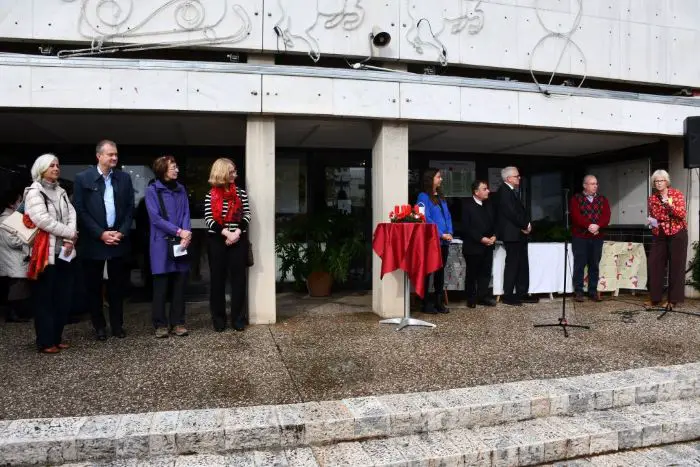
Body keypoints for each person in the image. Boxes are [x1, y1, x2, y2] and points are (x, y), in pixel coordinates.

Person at [73, 140, 135, 341]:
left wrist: (121, 232)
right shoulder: (83, 178)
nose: (114, 158)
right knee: (94, 287)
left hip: (118, 240)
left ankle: (117, 326)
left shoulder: (124, 179)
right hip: (94, 241)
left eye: (116, 154)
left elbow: (129, 208)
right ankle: (99, 326)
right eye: (110, 154)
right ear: (99, 156)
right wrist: (100, 233)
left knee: (117, 287)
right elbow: (80, 211)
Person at [24, 154, 78, 353]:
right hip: (45, 256)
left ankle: (56, 337)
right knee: (45, 299)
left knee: (63, 298)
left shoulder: (62, 192)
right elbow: (42, 220)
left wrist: (69, 237)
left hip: (65, 251)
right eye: (51, 166)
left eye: (57, 165)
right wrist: (70, 233)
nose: (56, 168)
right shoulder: (33, 192)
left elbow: (71, 214)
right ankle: (45, 341)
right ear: (41, 169)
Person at [145, 156, 192, 338]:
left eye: (176, 166)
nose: (177, 170)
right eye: (173, 167)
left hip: (181, 242)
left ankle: (178, 323)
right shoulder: (152, 191)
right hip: (161, 244)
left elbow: (186, 212)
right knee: (161, 285)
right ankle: (160, 324)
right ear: (163, 169)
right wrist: (179, 231)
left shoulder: (181, 190)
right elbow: (155, 219)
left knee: (180, 284)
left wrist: (186, 233)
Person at [204, 158, 251, 332]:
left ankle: (238, 318)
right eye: (231, 172)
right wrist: (226, 233)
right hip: (217, 241)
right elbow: (209, 219)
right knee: (217, 281)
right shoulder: (211, 194)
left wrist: (237, 233)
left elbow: (246, 216)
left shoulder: (241, 193)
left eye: (235, 171)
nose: (235, 175)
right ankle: (218, 318)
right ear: (222, 173)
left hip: (238, 240)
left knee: (239, 280)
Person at [496, 166, 538, 306]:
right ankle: (508, 295)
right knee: (513, 264)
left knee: (522, 264)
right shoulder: (504, 191)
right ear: (508, 178)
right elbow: (511, 213)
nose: (519, 178)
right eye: (516, 176)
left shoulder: (512, 191)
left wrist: (526, 225)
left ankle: (522, 292)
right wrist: (525, 225)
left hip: (519, 233)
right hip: (512, 234)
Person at [647, 169, 688, 308]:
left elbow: (681, 214)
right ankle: (655, 298)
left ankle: (673, 300)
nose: (659, 183)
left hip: (677, 232)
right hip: (660, 233)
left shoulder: (676, 194)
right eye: (656, 181)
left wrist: (669, 206)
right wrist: (651, 221)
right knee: (654, 264)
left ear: (667, 181)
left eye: (661, 180)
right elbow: (654, 215)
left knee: (676, 266)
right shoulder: (652, 198)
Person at [417, 169, 453, 314]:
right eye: (438, 177)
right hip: (432, 241)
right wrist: (440, 234)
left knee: (440, 272)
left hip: (444, 241)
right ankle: (425, 303)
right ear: (430, 178)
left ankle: (439, 302)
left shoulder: (441, 197)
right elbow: (424, 218)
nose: (441, 179)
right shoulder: (423, 196)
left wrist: (449, 232)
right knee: (428, 272)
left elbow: (448, 216)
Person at [570, 175, 610, 302]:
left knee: (594, 264)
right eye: (592, 184)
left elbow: (606, 215)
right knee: (579, 265)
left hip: (597, 236)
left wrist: (598, 225)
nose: (595, 186)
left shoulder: (602, 199)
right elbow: (576, 216)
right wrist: (589, 225)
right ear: (585, 185)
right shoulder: (576, 199)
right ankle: (579, 291)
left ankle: (592, 291)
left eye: (596, 184)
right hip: (580, 237)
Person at [462, 180, 497, 308]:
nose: (488, 191)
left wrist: (494, 235)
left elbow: (494, 222)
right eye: (484, 189)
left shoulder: (488, 204)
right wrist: (481, 238)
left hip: (488, 246)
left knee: (485, 273)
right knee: (472, 274)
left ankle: (482, 297)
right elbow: (466, 227)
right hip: (473, 246)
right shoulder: (466, 205)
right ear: (476, 192)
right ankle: (471, 299)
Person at [0, 184, 31, 323]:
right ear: (11, 203)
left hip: (15, 258)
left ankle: (17, 312)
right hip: (13, 258)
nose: (20, 204)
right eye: (19, 201)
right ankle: (12, 314)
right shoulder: (6, 219)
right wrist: (27, 238)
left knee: (19, 287)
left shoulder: (12, 218)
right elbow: (12, 241)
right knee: (16, 287)